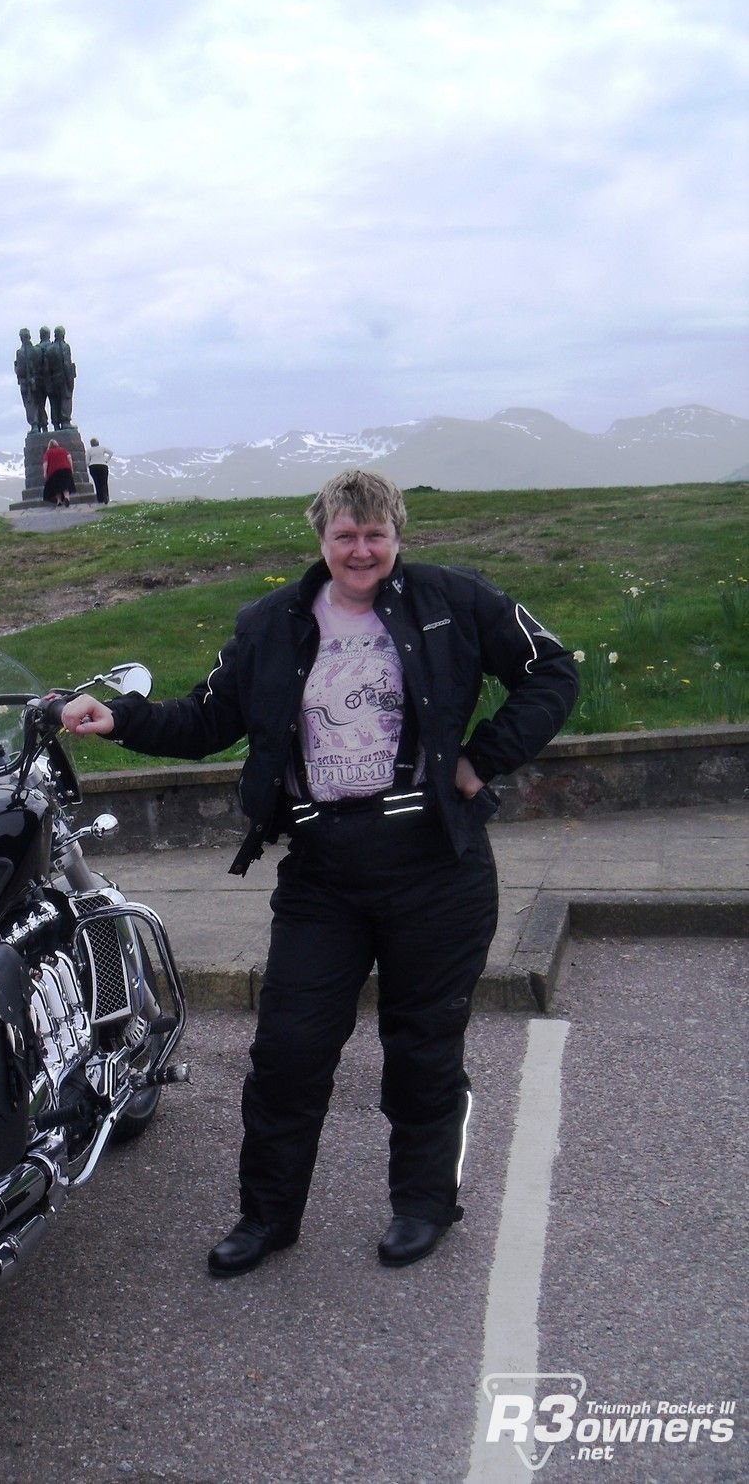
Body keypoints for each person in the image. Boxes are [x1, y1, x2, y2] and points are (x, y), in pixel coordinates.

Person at [60, 469, 578, 1277]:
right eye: (345, 535)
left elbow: (551, 671)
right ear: (321, 540)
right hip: (322, 872)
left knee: (422, 1046)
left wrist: (483, 757)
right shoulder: (271, 623)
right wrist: (120, 718)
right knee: (289, 1051)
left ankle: (422, 1204)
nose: (360, 549)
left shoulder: (454, 599)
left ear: (397, 536)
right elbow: (205, 718)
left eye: (375, 534)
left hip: (435, 865)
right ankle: (266, 1218)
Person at [14, 329, 45, 431]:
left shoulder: (20, 353)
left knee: (30, 404)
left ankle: (35, 425)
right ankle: (44, 425)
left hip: (27, 384)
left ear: (21, 338)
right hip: (40, 382)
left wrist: (16, 367)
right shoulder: (38, 350)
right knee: (41, 405)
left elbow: (21, 371)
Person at [43, 437, 74, 507]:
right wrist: (71, 467)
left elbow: (45, 463)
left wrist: (45, 472)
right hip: (66, 469)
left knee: (56, 487)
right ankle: (67, 498)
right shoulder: (63, 450)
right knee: (66, 486)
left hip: (54, 472)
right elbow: (69, 457)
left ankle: (59, 501)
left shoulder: (48, 452)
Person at [87, 437, 113, 505]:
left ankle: (100, 499)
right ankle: (105, 496)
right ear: (98, 443)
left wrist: (89, 465)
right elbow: (110, 453)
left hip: (93, 466)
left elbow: (87, 461)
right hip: (103, 466)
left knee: (97, 483)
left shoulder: (89, 450)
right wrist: (106, 460)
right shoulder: (102, 448)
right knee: (104, 482)